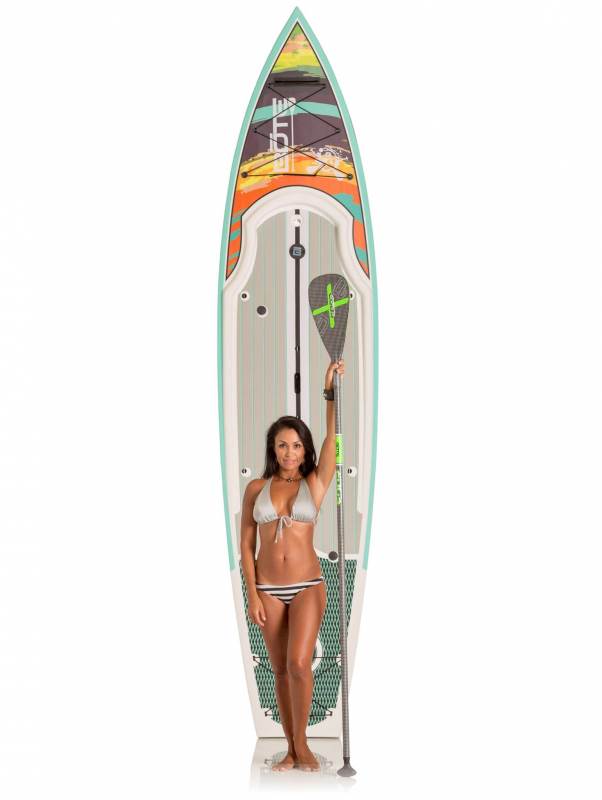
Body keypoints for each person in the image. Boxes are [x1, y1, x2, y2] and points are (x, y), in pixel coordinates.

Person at [239, 358, 345, 772]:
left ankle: (302, 746)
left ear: (305, 450)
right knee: (280, 670)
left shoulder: (313, 483)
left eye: (297, 445)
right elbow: (246, 545)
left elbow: (334, 440)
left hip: (307, 585)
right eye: (282, 445)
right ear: (273, 448)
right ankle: (291, 748)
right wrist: (252, 595)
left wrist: (329, 392)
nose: (289, 452)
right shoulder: (256, 488)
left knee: (300, 663)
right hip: (267, 590)